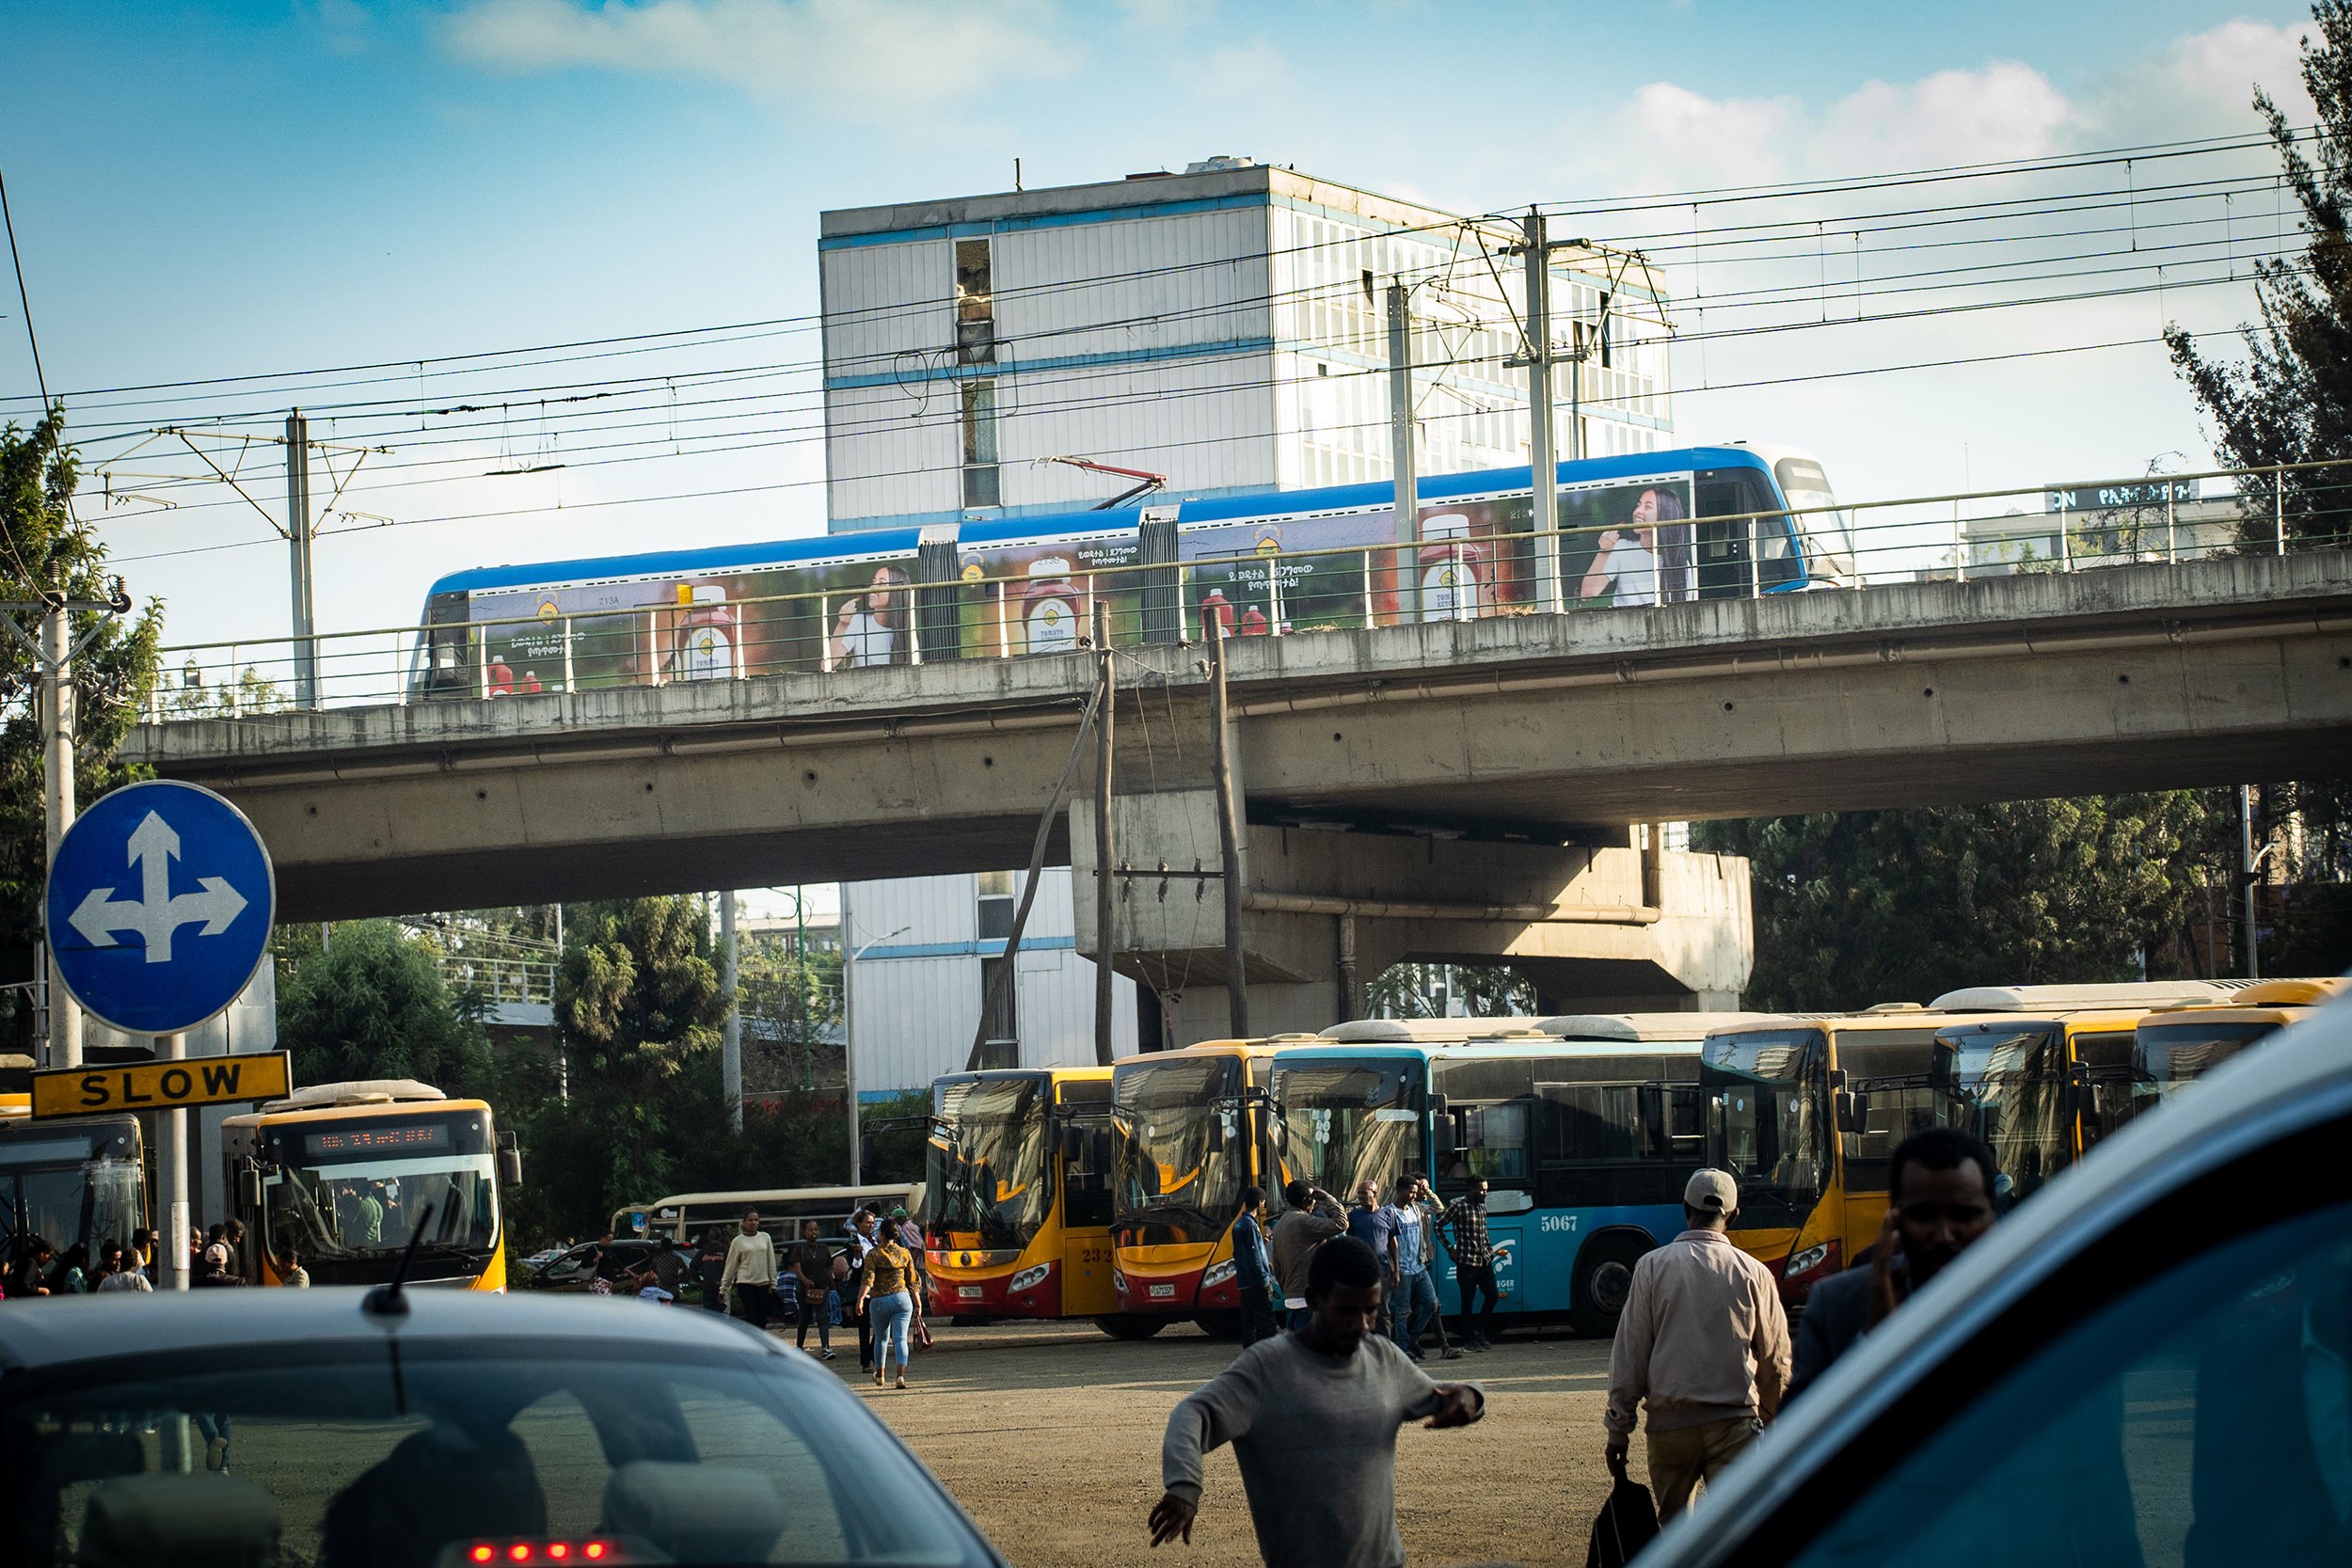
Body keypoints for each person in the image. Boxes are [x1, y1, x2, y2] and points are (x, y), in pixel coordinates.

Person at [1150, 1237, 1485, 1567]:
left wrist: (1470, 1396)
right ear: (1312, 1300)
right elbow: (1192, 1413)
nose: (1362, 1325)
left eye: (1371, 1310)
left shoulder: (1383, 1358)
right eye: (1346, 1311)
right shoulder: (1267, 1369)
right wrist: (1184, 1485)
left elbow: (1445, 1395)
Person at [1604, 1170, 1791, 1516]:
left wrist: (1619, 1428)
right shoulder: (1755, 1273)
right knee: (1735, 1532)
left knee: (1678, 1537)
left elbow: (1630, 1354)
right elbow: (1776, 1361)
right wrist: (1771, 1418)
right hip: (1735, 1426)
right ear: (1734, 1216)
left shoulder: (1650, 1268)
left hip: (1670, 1428)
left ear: (1684, 1208)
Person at [1788, 1126, 1999, 1402]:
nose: (1944, 1235)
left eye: (1964, 1216)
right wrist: (1873, 1341)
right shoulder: (1837, 1306)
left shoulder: (2041, 1285)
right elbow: (1802, 1429)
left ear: (1992, 1215)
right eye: (1923, 1216)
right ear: (1895, 1219)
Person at [1579, 487, 1677, 608]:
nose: (1638, 511)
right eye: (1638, 505)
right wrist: (1603, 552)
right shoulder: (1623, 547)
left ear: (1665, 516)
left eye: (1648, 507)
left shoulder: (1680, 562)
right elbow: (1587, 594)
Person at [1395, 1177, 1458, 1361]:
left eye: (1416, 1191)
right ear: (1400, 1190)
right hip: (1403, 1270)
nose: (1415, 1195)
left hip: (1420, 1266)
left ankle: (1412, 1339)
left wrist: (1428, 1191)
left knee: (1432, 1304)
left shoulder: (1417, 1208)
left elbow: (1440, 1208)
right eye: (1412, 1191)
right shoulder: (1390, 1213)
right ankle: (1402, 1348)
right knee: (1403, 1311)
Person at [1271, 1180, 1345, 1334]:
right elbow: (1341, 1223)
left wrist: (1288, 1290)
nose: (1315, 1203)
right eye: (1314, 1199)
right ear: (1306, 1201)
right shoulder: (1303, 1221)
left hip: (1291, 1299)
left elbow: (1277, 1266)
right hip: (1308, 1300)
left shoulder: (1280, 1224)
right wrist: (1329, 1199)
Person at [854, 1215, 919, 1390]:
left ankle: (880, 1375)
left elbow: (868, 1279)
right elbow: (912, 1280)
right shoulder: (905, 1253)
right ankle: (900, 1376)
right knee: (900, 1339)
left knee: (881, 1340)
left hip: (879, 1300)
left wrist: (860, 1299)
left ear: (881, 1234)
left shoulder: (873, 1254)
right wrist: (918, 1304)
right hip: (902, 1299)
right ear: (896, 1235)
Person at [1439, 1176, 1500, 1351]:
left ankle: (1478, 1330)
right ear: (1471, 1190)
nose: (1485, 1193)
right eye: (1482, 1190)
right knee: (1467, 1302)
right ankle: (1469, 1339)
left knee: (1493, 1295)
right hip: (1466, 1262)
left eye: (1486, 1190)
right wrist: (1450, 1248)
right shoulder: (1458, 1207)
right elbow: (1438, 1225)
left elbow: (1484, 1231)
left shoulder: (1482, 1207)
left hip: (1484, 1260)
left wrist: (1489, 1250)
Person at [1345, 1180, 1403, 1340]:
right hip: (1361, 1274)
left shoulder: (1388, 1214)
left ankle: (1385, 1348)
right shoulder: (1354, 1215)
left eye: (1364, 1193)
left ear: (1375, 1194)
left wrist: (1396, 1269)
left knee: (1382, 1312)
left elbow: (1393, 1243)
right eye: (1359, 1193)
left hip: (1382, 1272)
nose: (1361, 1197)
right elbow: (1350, 1243)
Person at [828, 565, 908, 668]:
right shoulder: (858, 621)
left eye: (882, 583)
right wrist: (842, 624)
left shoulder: (907, 633)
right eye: (873, 582)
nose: (872, 588)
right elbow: (827, 665)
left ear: (896, 592)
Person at [1230, 1187, 1278, 1346]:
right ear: (1260, 1203)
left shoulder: (1238, 1225)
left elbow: (1241, 1252)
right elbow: (1255, 1257)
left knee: (1249, 1322)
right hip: (1255, 1281)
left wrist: (1261, 1244)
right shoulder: (1250, 1225)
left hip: (1244, 1281)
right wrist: (1265, 1280)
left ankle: (1250, 1354)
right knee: (1267, 1321)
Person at [720, 1209, 778, 1329]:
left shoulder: (765, 1237)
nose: (753, 1223)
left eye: (756, 1220)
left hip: (762, 1283)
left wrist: (773, 1284)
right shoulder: (738, 1241)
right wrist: (723, 1288)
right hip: (745, 1283)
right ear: (744, 1223)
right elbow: (731, 1266)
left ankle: (761, 1342)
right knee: (751, 1317)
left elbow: (771, 1261)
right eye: (750, 1220)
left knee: (762, 1317)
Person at [791, 1219, 838, 1358]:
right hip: (804, 1288)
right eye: (810, 1230)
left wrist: (833, 1287)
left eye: (816, 1229)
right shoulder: (799, 1249)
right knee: (805, 1318)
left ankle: (826, 1347)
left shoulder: (823, 1248)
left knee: (823, 1318)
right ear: (804, 1232)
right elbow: (797, 1267)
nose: (814, 1232)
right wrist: (805, 1280)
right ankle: (799, 1346)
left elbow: (828, 1268)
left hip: (822, 1288)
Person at [843, 1210, 882, 1371]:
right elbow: (855, 1267)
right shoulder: (852, 1243)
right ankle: (865, 1362)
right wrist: (858, 1255)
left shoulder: (875, 1242)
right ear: (859, 1224)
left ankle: (872, 1353)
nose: (870, 1225)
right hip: (863, 1290)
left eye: (872, 1223)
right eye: (867, 1222)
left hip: (878, 1288)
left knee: (881, 1324)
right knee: (864, 1326)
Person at [692, 1227, 729, 1312]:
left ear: (709, 1237)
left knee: (709, 1315)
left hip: (708, 1286)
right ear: (720, 1237)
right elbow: (731, 1267)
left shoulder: (704, 1249)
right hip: (722, 1286)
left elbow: (693, 1266)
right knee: (723, 1314)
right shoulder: (725, 1249)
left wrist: (698, 1280)